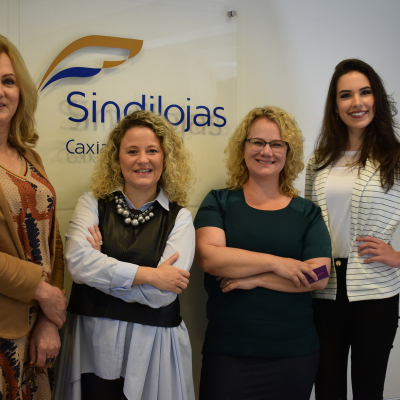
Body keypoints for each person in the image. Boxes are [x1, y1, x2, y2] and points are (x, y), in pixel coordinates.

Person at [55, 110, 196, 400]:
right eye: (132, 151)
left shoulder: (180, 218)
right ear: (117, 158)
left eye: (152, 150)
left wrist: (100, 274)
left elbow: (162, 296)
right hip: (93, 343)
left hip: (152, 345)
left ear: (166, 158)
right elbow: (79, 265)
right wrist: (151, 275)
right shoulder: (91, 203)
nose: (142, 159)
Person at [194, 105, 332, 400]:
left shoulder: (308, 213)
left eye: (277, 144)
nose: (266, 151)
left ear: (288, 152)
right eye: (257, 142)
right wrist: (278, 264)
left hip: (294, 354)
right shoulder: (218, 202)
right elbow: (210, 258)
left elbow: (319, 275)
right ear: (243, 148)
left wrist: (256, 279)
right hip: (229, 352)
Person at [305, 59, 400, 400]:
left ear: (377, 98)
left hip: (376, 292)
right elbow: (309, 223)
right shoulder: (319, 160)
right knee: (327, 388)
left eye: (365, 92)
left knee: (368, 389)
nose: (356, 102)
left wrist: (397, 257)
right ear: (335, 105)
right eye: (345, 95)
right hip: (324, 288)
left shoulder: (395, 158)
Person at [0, 35, 66, 399]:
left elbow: (51, 241)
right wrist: (41, 291)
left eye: (8, 81)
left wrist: (48, 318)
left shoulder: (30, 157)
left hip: (35, 335)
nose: (1, 91)